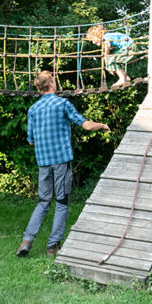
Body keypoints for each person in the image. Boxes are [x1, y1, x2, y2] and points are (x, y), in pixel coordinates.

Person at [16, 71, 110, 257]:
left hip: (43, 162)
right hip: (60, 162)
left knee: (43, 201)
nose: (56, 83)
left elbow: (31, 140)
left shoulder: (33, 109)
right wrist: (102, 125)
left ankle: (27, 241)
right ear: (51, 84)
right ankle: (52, 246)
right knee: (61, 202)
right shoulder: (62, 104)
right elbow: (86, 125)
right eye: (54, 81)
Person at [86, 24, 135, 89]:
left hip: (128, 47)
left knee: (111, 60)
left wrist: (107, 62)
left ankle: (123, 78)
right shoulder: (107, 36)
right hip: (127, 46)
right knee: (112, 60)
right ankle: (125, 77)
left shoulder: (105, 38)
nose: (93, 42)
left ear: (97, 35)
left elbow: (107, 48)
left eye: (93, 39)